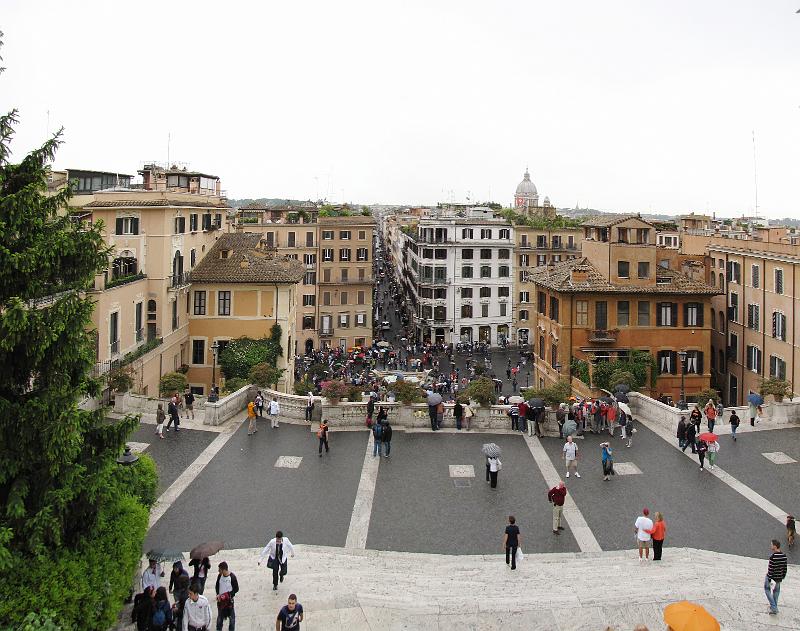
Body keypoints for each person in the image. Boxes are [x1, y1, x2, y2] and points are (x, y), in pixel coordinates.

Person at [765, 539, 788, 615]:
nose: (770, 546)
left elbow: (770, 569)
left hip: (772, 578)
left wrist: (768, 578)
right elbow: (785, 569)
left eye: (771, 545)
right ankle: (773, 607)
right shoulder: (784, 556)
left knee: (767, 590)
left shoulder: (773, 557)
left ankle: (774, 608)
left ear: (775, 546)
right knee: (776, 592)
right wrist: (782, 576)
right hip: (779, 578)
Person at [215, 561, 239, 631]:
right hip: (220, 602)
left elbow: (236, 589)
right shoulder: (219, 576)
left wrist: (228, 595)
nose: (218, 571)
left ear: (224, 570)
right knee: (219, 619)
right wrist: (217, 594)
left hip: (229, 602)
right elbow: (217, 586)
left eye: (219, 570)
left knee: (232, 619)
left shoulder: (232, 577)